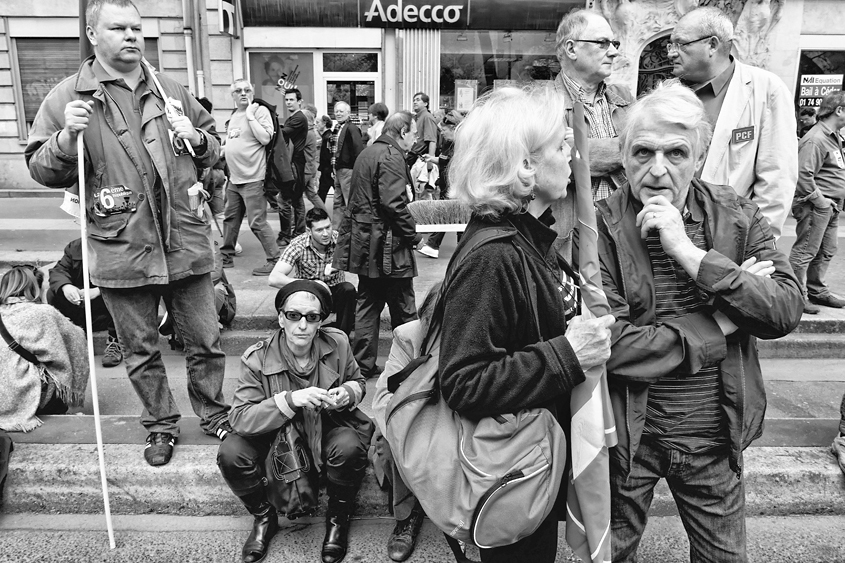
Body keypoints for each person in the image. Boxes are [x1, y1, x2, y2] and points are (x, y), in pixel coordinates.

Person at [595, 81, 802, 562]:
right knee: (607, 556)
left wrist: (690, 255)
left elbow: (783, 309)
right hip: (627, 438)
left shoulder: (735, 214)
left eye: (676, 153)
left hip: (714, 434)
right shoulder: (598, 227)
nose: (658, 169)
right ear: (623, 156)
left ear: (700, 154)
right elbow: (611, 347)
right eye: (643, 152)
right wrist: (722, 323)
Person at [25, 0, 231, 466]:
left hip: (185, 244)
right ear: (93, 33)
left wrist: (199, 140)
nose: (132, 36)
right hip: (121, 249)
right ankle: (160, 425)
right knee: (140, 350)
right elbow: (40, 168)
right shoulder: (68, 98)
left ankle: (214, 411)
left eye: (137, 28)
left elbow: (213, 145)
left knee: (205, 342)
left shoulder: (169, 89)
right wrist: (63, 141)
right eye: (118, 28)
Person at [438, 85, 615, 563]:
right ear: (524, 168)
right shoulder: (494, 256)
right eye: (561, 143)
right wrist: (570, 355)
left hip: (528, 464)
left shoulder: (527, 239)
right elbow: (464, 381)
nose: (574, 152)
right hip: (508, 477)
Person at [217, 280, 373, 563]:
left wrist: (347, 393)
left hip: (326, 426)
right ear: (281, 318)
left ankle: (338, 519)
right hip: (275, 434)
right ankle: (264, 517)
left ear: (320, 321)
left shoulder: (337, 342)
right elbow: (240, 418)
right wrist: (289, 400)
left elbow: (358, 380)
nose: (302, 325)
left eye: (312, 317)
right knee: (231, 452)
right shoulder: (256, 358)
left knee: (350, 446)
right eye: (294, 316)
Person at [669, 6, 798, 239]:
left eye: (681, 44)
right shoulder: (669, 93)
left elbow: (776, 179)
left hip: (731, 238)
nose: (671, 53)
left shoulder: (766, 89)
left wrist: (758, 246)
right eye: (670, 45)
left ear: (712, 45)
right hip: (669, 233)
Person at [333, 111, 423, 379]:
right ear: (402, 131)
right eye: (414, 133)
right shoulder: (391, 155)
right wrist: (414, 236)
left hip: (367, 243)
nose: (415, 138)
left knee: (368, 304)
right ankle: (410, 365)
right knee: (404, 307)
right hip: (387, 246)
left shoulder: (369, 152)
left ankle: (363, 365)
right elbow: (393, 204)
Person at [371, 285, 439, 562]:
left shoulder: (481, 334)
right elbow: (383, 397)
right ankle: (406, 516)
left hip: (456, 419)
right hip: (412, 417)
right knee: (391, 444)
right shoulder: (409, 336)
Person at [554, 9, 631, 203]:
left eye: (614, 43)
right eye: (602, 43)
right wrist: (625, 149)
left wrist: (582, 149)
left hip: (626, 228)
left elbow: (648, 157)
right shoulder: (544, 105)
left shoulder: (625, 98)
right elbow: (551, 172)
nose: (614, 52)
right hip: (573, 230)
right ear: (571, 49)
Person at [0, 265, 89, 432]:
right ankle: (60, 406)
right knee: (66, 349)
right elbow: (77, 339)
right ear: (34, 288)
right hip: (23, 390)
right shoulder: (43, 313)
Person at [788, 91, 845, 314]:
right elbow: (802, 175)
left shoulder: (833, 136)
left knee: (827, 249)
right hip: (817, 205)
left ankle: (817, 291)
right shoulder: (816, 138)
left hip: (830, 205)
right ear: (839, 110)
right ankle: (795, 296)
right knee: (805, 252)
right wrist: (821, 201)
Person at [220, 78, 279, 276]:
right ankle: (226, 254)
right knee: (230, 218)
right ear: (233, 95)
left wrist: (251, 116)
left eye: (247, 90)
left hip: (254, 177)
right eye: (238, 90)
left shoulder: (258, 111)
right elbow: (235, 141)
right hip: (235, 178)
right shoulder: (234, 114)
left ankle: (275, 260)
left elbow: (265, 138)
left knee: (257, 222)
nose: (243, 93)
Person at [269, 208, 356, 336]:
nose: (326, 233)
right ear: (309, 231)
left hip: (334, 294)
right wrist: (311, 285)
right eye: (319, 230)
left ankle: (342, 337)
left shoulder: (339, 240)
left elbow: (361, 258)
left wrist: (340, 264)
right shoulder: (298, 244)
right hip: (308, 295)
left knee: (348, 289)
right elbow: (274, 278)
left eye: (328, 227)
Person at [47, 238, 122, 367]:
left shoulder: (119, 244)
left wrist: (99, 291)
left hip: (109, 304)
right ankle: (76, 337)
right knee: (53, 293)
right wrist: (66, 287)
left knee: (121, 295)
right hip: (82, 305)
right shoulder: (76, 246)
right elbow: (59, 270)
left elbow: (125, 277)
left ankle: (115, 341)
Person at [417, 109, 463, 260]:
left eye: (443, 130)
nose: (441, 133)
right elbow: (445, 161)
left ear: (453, 129)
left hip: (454, 189)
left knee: (447, 216)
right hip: (446, 186)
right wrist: (431, 158)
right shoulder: (448, 144)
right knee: (454, 217)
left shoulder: (461, 147)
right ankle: (461, 248)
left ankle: (433, 245)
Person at [278, 88, 309, 247]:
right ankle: (299, 233)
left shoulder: (298, 118)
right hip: (295, 163)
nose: (289, 102)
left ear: (299, 101)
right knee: (297, 200)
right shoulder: (294, 117)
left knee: (284, 200)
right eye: (287, 100)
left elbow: (282, 134)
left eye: (292, 100)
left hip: (294, 165)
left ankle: (287, 235)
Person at [331, 101, 365, 230]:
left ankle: (353, 231)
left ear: (348, 113)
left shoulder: (351, 128)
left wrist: (358, 170)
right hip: (339, 170)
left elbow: (358, 149)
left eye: (341, 111)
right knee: (338, 202)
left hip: (348, 170)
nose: (338, 113)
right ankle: (336, 231)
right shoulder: (338, 128)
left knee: (349, 202)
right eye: (336, 111)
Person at [301, 108, 328, 213]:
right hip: (310, 168)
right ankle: (326, 216)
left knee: (295, 197)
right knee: (312, 194)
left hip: (305, 169)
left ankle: (297, 223)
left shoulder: (307, 133)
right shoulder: (311, 132)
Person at [407, 92, 438, 174]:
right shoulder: (416, 117)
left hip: (421, 158)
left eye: (418, 100)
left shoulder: (427, 117)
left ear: (425, 103)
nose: (414, 102)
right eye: (414, 100)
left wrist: (429, 166)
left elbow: (432, 140)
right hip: (413, 157)